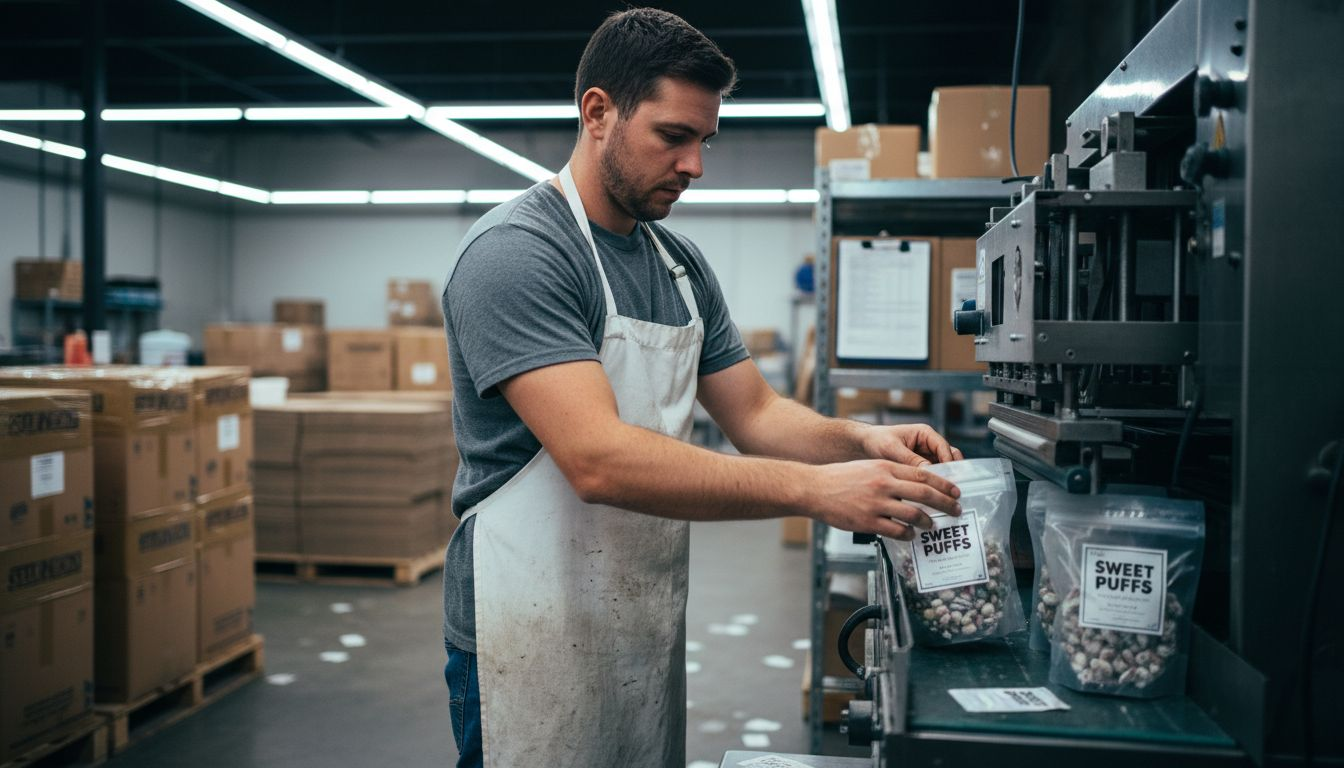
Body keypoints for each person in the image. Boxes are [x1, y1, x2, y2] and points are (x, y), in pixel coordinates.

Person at [441, 8, 965, 767]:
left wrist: (858, 440)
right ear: (598, 113)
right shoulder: (519, 255)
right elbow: (599, 461)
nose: (696, 165)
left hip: (638, 618)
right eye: (673, 136)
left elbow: (755, 413)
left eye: (705, 140)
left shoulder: (679, 267)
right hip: (521, 631)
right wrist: (816, 492)